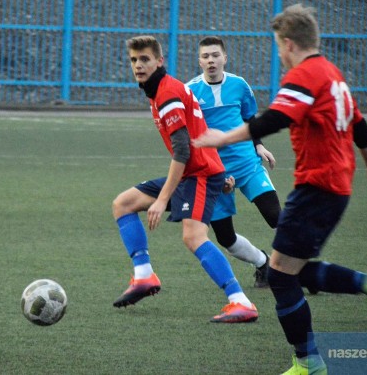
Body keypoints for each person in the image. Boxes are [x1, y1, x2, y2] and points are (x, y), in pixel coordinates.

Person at [193, 4, 367, 374]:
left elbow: (275, 118)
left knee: (280, 276)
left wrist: (223, 137)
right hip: (335, 188)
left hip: (317, 188)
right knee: (285, 270)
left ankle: (311, 360)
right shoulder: (333, 75)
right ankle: (365, 292)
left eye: (279, 46)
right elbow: (362, 131)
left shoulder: (305, 76)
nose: (279, 54)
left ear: (289, 43)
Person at [111, 35, 259, 323]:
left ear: (159, 61)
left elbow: (182, 149)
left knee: (193, 237)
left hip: (200, 174)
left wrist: (163, 198)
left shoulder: (167, 94)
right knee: (124, 204)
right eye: (133, 60)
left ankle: (241, 301)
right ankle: (144, 276)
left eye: (144, 59)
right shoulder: (160, 90)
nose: (138, 65)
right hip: (195, 171)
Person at [186, 36, 281, 288]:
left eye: (215, 55)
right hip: (214, 172)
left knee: (276, 217)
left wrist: (259, 145)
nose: (211, 60)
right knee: (225, 238)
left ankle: (305, 270)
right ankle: (263, 263)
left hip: (246, 164)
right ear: (199, 61)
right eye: (205, 56)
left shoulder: (239, 85)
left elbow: (251, 118)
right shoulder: (190, 92)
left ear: (225, 58)